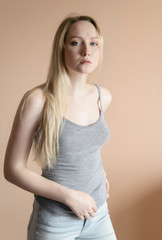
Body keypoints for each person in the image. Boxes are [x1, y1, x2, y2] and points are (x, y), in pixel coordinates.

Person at [4, 14, 117, 240]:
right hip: (56, 221)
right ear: (61, 48)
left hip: (98, 213)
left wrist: (100, 173)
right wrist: (70, 197)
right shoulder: (38, 100)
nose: (87, 51)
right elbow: (12, 169)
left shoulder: (102, 97)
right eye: (76, 42)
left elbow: (85, 146)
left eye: (93, 43)